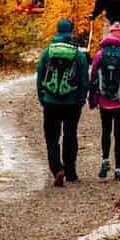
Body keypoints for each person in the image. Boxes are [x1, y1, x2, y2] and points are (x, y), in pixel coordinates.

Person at [35, 16, 89, 186]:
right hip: (72, 102)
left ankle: (57, 169)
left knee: (51, 137)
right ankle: (71, 173)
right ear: (71, 33)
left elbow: (40, 77)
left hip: (51, 101)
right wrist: (81, 99)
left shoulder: (47, 52)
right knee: (70, 136)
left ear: (57, 31)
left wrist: (42, 98)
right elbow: (84, 79)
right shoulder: (78, 55)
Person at [88, 20, 120, 179]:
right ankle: (118, 168)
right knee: (119, 133)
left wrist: (95, 96)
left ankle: (104, 160)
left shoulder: (99, 55)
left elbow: (93, 75)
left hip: (104, 101)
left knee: (106, 131)